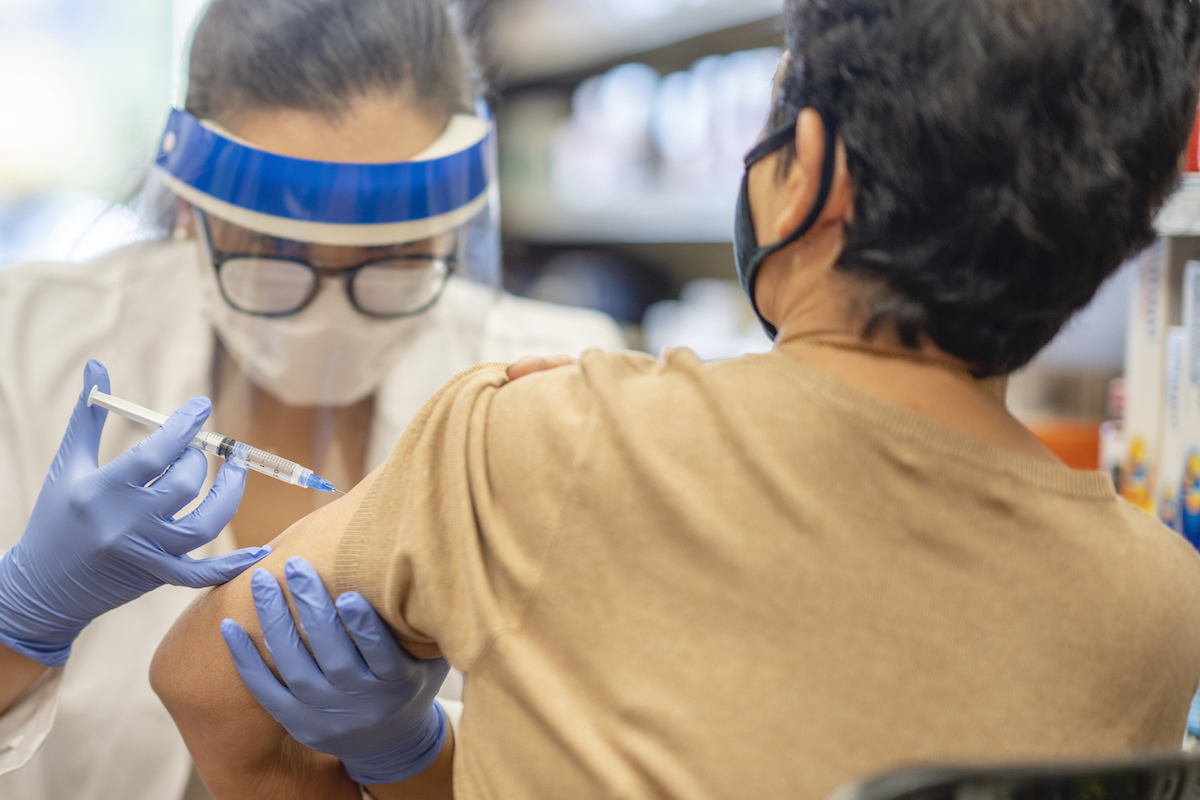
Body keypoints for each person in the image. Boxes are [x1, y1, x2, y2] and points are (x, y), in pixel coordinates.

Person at [152, 0, 1200, 798]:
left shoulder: (541, 432)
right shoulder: (1163, 602)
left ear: (814, 172)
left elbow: (205, 679)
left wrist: (406, 758)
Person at [0, 0, 624, 797]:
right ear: (192, 211)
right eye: (272, 255)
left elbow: (602, 768)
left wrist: (419, 755)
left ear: (454, 229)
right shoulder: (24, 341)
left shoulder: (558, 386)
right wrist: (19, 624)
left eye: (394, 258)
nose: (329, 312)